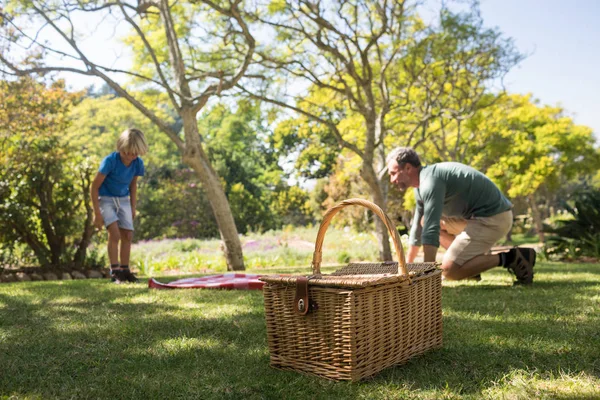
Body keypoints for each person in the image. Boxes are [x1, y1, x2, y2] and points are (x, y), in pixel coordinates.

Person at [386, 147, 536, 284]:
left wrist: (427, 276)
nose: (392, 180)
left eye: (393, 173)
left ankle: (513, 257)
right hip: (474, 219)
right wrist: (407, 269)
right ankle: (470, 268)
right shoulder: (420, 187)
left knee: (449, 270)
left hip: (494, 218)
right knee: (424, 221)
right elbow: (417, 229)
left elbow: (431, 230)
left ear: (407, 168)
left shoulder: (430, 181)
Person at [90, 128, 148, 284]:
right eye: (126, 153)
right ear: (120, 148)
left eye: (134, 154)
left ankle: (125, 270)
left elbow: (133, 186)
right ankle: (114, 271)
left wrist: (133, 207)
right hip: (106, 199)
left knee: (128, 235)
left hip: (123, 200)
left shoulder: (137, 163)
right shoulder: (110, 161)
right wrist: (97, 213)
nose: (130, 157)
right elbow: (94, 187)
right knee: (115, 234)